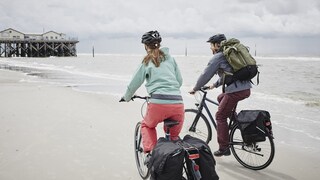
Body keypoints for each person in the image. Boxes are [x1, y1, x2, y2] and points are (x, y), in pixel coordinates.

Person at [120, 30, 184, 154]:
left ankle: (153, 154)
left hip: (158, 104)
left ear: (145, 46)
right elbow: (179, 81)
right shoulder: (171, 59)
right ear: (159, 44)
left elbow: (135, 82)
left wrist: (127, 97)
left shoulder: (146, 61)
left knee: (147, 125)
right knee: (174, 137)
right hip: (178, 103)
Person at [189, 34, 251, 157]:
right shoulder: (229, 54)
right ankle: (234, 122)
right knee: (220, 98)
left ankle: (224, 148)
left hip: (235, 91)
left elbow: (205, 74)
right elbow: (229, 75)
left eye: (211, 45)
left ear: (217, 45)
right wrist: (214, 85)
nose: (210, 48)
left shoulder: (218, 57)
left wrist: (195, 88)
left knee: (220, 116)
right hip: (245, 89)